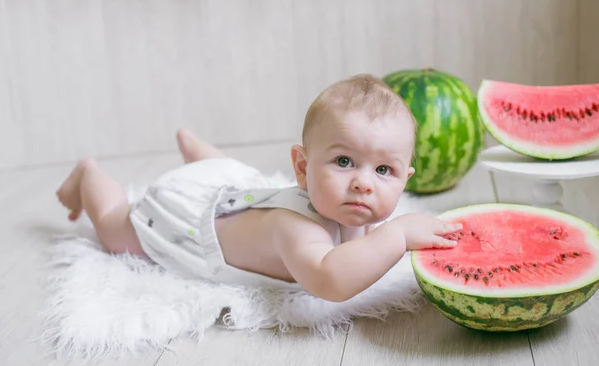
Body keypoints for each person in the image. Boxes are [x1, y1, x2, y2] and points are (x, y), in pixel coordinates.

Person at [56, 73, 462, 302]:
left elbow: (359, 248)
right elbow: (330, 280)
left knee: (234, 173)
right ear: (302, 168)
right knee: (115, 229)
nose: (362, 182)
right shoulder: (297, 229)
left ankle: (197, 151)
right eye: (343, 162)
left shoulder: (348, 205)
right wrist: (397, 234)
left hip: (230, 190)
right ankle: (89, 175)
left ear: (405, 178)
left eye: (384, 171)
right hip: (189, 224)